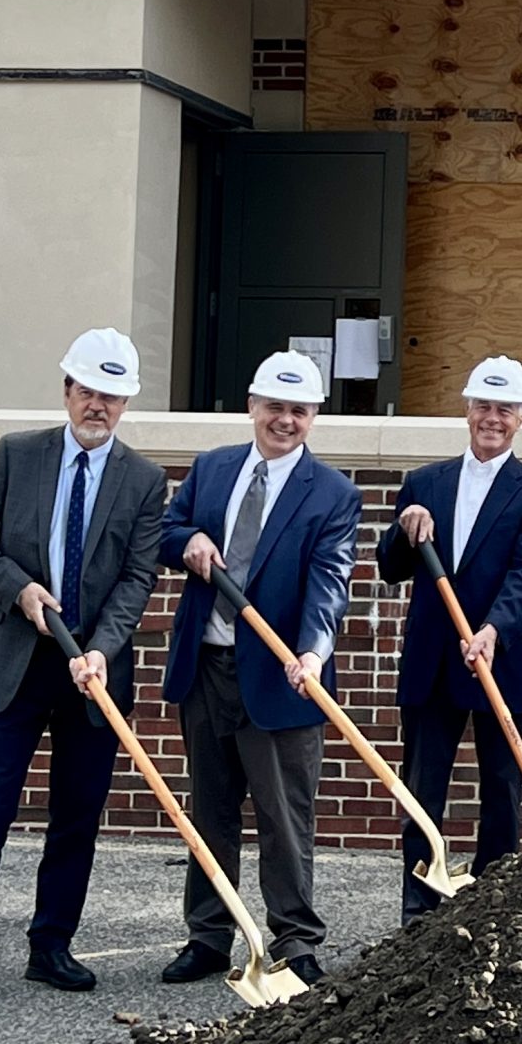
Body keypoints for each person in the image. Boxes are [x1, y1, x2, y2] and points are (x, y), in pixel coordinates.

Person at [0, 329, 165, 1005]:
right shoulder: (18, 454)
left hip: (91, 672)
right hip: (15, 664)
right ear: (67, 391)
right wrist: (16, 587)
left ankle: (51, 945)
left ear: (125, 404)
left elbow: (138, 578)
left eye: (112, 397)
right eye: (88, 391)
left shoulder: (144, 481)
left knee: (77, 814)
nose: (99, 406)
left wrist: (102, 649)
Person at [158, 351, 360, 989]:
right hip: (208, 666)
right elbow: (166, 530)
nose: (286, 420)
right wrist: (186, 540)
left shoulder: (332, 493)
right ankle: (208, 936)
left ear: (314, 417)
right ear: (252, 406)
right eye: (275, 406)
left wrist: (313, 653)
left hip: (282, 674)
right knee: (210, 809)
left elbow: (330, 581)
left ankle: (296, 940)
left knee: (284, 814)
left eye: (299, 410)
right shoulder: (213, 469)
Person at [379, 355, 522, 903]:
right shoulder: (424, 482)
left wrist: (492, 629)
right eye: (483, 405)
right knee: (423, 788)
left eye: (504, 409)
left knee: (503, 788)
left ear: (521, 419)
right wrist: (402, 531)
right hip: (434, 659)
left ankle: (491, 903)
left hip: (501, 658)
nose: (492, 418)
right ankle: (420, 903)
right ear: (466, 410)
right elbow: (391, 569)